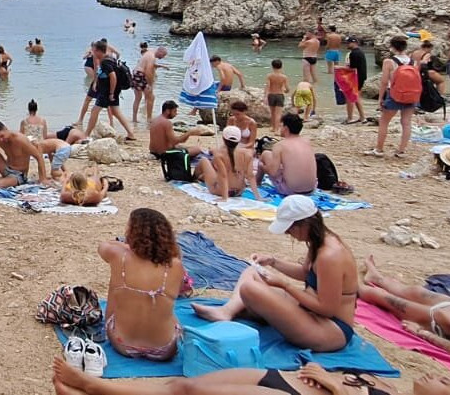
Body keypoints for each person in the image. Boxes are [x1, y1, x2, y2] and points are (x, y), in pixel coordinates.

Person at [194, 195, 358, 353]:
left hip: (331, 328)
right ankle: (227, 311)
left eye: (289, 229)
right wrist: (272, 261)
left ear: (303, 225)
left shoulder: (329, 255)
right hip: (310, 311)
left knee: (250, 289)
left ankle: (242, 309)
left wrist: (284, 285)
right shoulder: (319, 241)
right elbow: (305, 273)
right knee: (252, 272)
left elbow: (327, 309)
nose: (288, 234)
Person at [48, 358, 441, 395]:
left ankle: (93, 386)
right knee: (184, 385)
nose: (435, 374)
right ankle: (97, 387)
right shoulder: (393, 386)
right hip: (289, 380)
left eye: (443, 382)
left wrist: (337, 386)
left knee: (188, 392)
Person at [98, 208, 184, 361]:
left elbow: (103, 246)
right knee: (167, 308)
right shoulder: (175, 266)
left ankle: (114, 325)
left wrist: (125, 246)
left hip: (123, 344)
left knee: (117, 282)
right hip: (164, 349)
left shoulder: (118, 256)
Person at [360, 255, 450, 353]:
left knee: (386, 299)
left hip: (441, 321)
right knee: (415, 291)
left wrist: (424, 333)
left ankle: (353, 285)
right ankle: (377, 278)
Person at [372, 35, 417, 158]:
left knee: (384, 121)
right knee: (406, 122)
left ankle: (379, 149)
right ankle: (401, 151)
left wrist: (380, 98)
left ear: (392, 47)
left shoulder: (389, 62)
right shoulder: (413, 62)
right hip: (411, 94)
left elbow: (384, 82)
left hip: (394, 94)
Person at [85, 41, 137, 142]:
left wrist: (111, 93)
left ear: (99, 51)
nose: (93, 53)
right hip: (112, 90)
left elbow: (113, 76)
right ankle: (131, 133)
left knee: (94, 111)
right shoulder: (110, 59)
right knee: (116, 112)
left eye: (94, 51)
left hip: (107, 91)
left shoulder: (105, 62)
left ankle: (86, 134)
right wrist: (96, 82)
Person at [195, 125, 261, 202]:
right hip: (239, 191)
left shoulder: (219, 155)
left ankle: (193, 178)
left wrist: (224, 197)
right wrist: (258, 197)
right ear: (239, 139)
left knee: (204, 161)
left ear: (223, 138)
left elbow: (223, 176)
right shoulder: (247, 154)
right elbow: (251, 176)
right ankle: (200, 177)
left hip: (220, 190)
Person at [0, 121, 48, 188]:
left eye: (2, 136)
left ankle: (2, 180)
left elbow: (38, 156)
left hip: (19, 174)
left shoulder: (20, 140)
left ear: (6, 129)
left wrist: (43, 178)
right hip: (6, 168)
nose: (1, 140)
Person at [257, 113, 317, 195]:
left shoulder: (280, 145)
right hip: (311, 189)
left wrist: (262, 166)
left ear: (285, 128)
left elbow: (273, 172)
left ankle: (257, 183)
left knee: (265, 154)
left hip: (291, 191)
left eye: (281, 126)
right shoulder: (307, 141)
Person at [132, 46, 167, 125]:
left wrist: (160, 66)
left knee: (138, 98)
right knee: (151, 97)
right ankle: (149, 119)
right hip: (141, 75)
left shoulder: (149, 53)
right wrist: (150, 84)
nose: (163, 57)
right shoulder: (152, 57)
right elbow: (148, 71)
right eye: (163, 55)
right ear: (160, 52)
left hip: (136, 73)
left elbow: (146, 64)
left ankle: (134, 119)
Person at [344, 36, 368, 124]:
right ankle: (362, 117)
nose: (347, 44)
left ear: (354, 43)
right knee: (357, 97)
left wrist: (340, 69)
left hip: (355, 77)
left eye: (348, 43)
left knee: (349, 97)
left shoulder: (353, 54)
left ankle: (350, 117)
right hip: (361, 77)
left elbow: (352, 69)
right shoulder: (361, 52)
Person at [265, 59, 290, 134]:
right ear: (281, 66)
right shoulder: (284, 77)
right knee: (278, 113)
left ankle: (273, 127)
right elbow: (287, 88)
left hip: (271, 95)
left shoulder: (269, 76)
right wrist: (285, 91)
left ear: (272, 66)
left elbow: (268, 87)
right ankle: (276, 130)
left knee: (272, 113)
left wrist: (265, 96)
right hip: (279, 95)